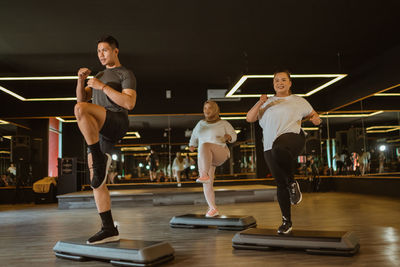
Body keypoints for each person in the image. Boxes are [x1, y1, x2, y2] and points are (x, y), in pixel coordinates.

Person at [74, 35, 137, 244]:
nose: (101, 54)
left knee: (80, 109)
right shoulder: (99, 74)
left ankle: (96, 155)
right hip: (100, 131)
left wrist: (102, 87)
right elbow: (81, 100)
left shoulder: (125, 73)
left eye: (105, 50)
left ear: (115, 51)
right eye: (98, 51)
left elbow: (129, 103)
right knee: (97, 182)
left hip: (117, 121)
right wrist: (81, 80)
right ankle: (108, 228)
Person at [246, 70, 321, 234]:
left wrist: (316, 119)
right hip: (268, 146)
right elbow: (250, 118)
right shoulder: (267, 103)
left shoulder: (299, 101)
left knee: (279, 148)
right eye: (276, 80)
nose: (279, 83)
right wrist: (260, 102)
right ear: (273, 84)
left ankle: (292, 183)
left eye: (283, 80)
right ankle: (287, 222)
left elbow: (314, 115)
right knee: (280, 184)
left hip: (293, 138)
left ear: (290, 83)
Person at [189, 100, 237, 217]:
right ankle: (213, 208)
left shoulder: (224, 123)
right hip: (206, 158)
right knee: (207, 183)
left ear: (215, 110)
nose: (207, 110)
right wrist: (192, 144)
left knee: (205, 145)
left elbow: (234, 136)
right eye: (205, 108)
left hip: (220, 152)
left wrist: (229, 137)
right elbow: (194, 136)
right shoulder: (200, 124)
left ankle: (204, 174)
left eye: (209, 108)